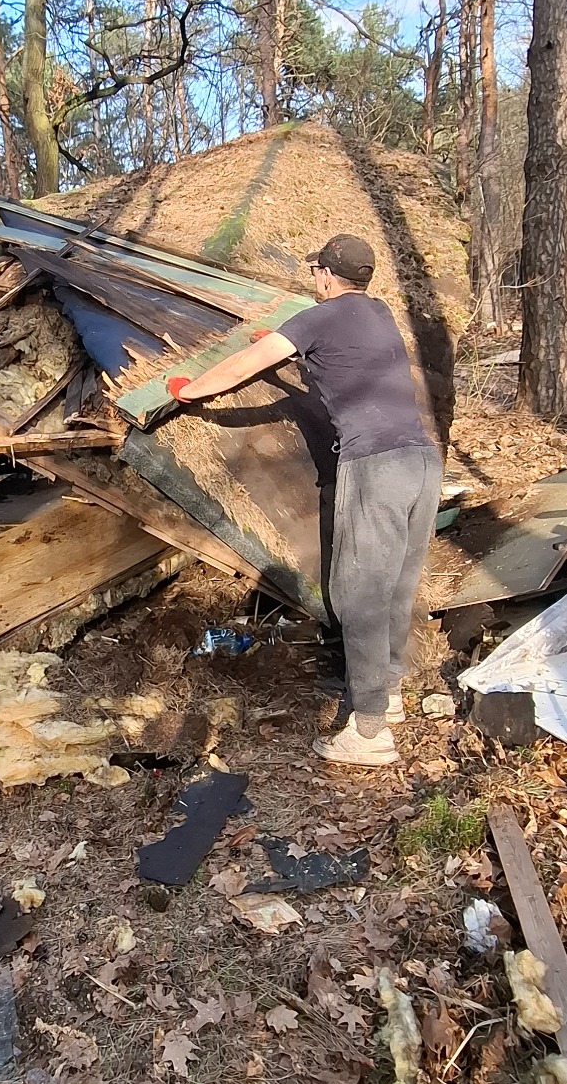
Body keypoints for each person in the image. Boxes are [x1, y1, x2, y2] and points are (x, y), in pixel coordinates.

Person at [166, 233, 441, 767]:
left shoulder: (320, 317)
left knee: (357, 589)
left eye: (315, 271)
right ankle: (388, 695)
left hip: (376, 465)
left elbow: (244, 365)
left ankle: (369, 735)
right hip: (421, 463)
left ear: (324, 276)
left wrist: (191, 390)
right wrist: (295, 346)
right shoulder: (377, 313)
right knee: (395, 584)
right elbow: (343, 365)